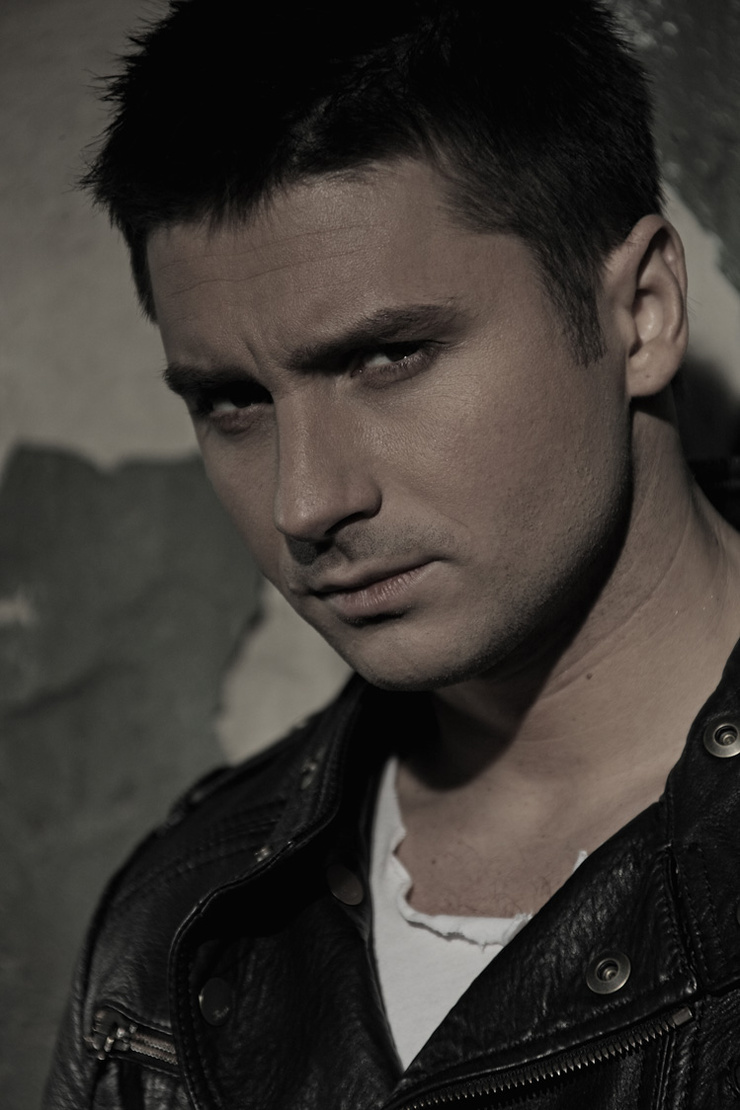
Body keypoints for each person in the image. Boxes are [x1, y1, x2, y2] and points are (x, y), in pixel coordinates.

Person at [44, 1, 740, 1107]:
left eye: (389, 356)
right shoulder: (177, 935)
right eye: (231, 400)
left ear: (642, 314)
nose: (305, 502)